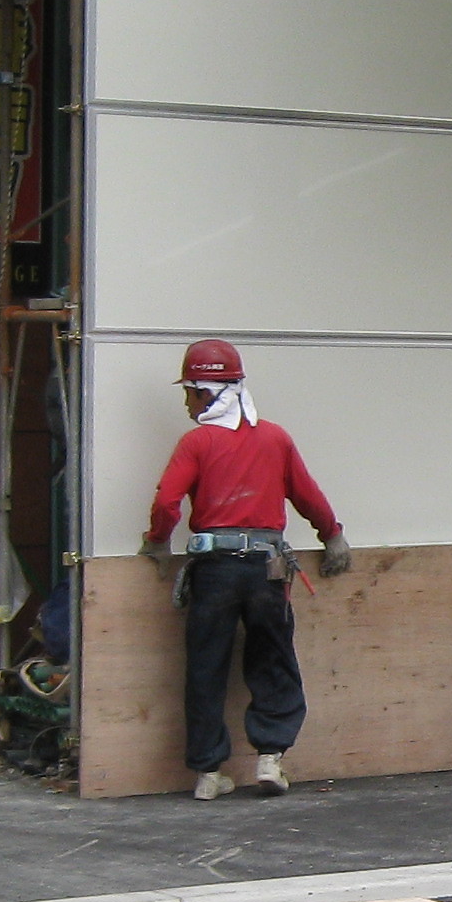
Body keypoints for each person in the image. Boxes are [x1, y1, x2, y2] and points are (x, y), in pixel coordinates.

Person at [139, 339, 350, 803]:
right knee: (272, 658)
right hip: (266, 570)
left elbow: (168, 502)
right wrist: (332, 535)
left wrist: (156, 542)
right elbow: (306, 493)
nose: (186, 403)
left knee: (206, 665)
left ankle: (208, 773)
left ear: (205, 392)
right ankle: (270, 758)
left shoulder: (197, 442)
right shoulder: (275, 438)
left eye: (189, 393)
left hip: (214, 569)